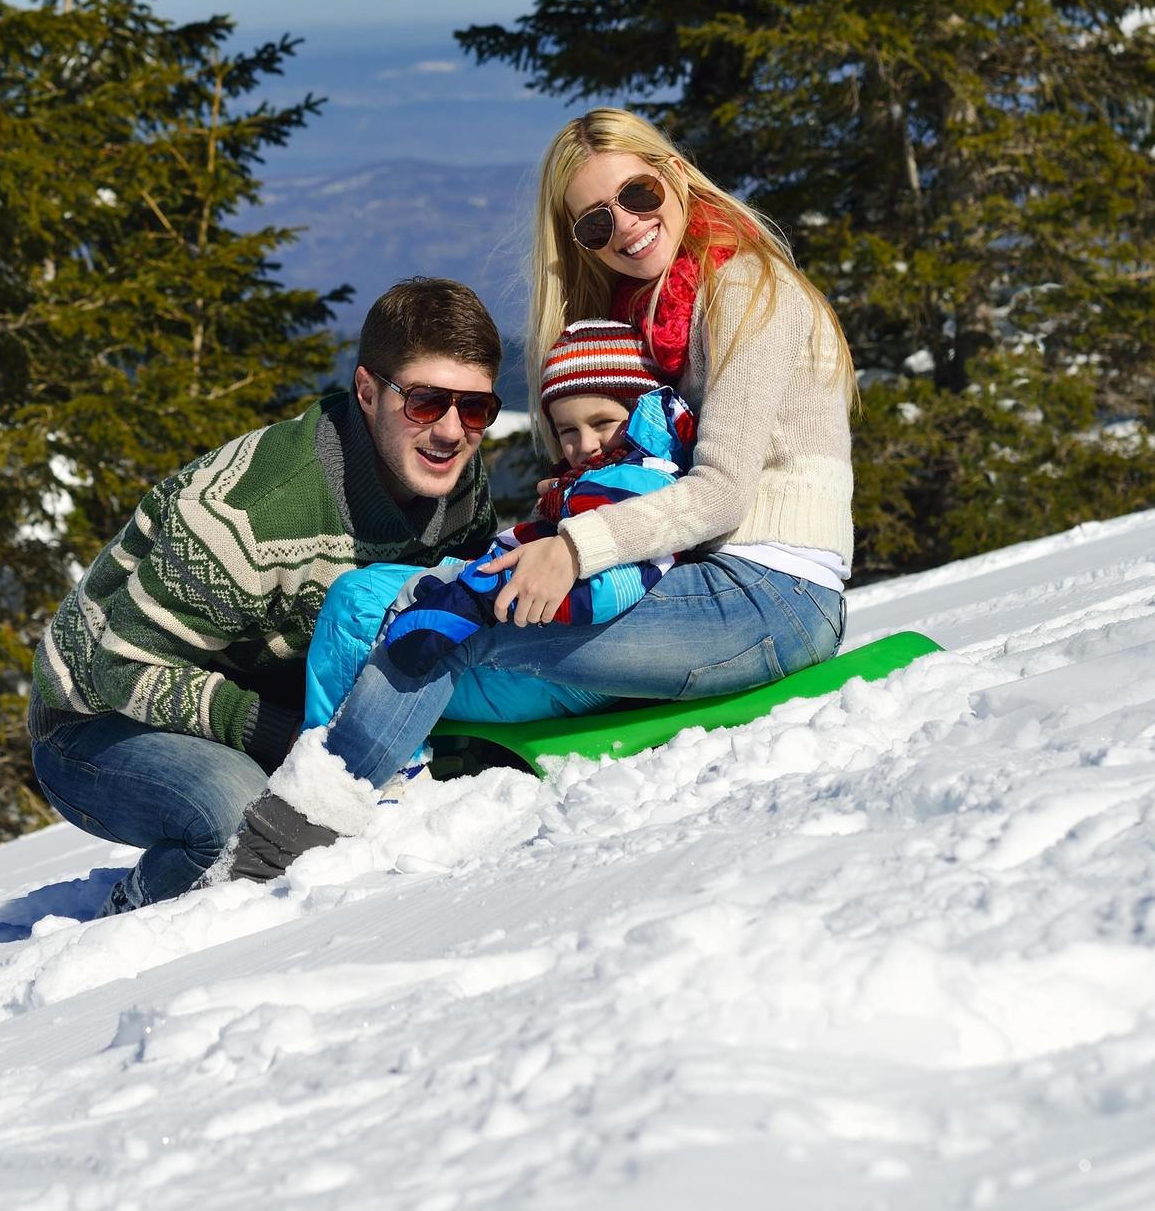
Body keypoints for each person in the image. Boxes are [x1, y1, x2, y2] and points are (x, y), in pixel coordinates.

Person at [216, 109, 857, 884]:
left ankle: (288, 844)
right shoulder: (650, 315)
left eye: (638, 193)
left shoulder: (745, 288)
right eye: (595, 222)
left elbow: (720, 495)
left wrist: (573, 549)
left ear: (675, 176)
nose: (626, 226)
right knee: (385, 597)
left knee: (451, 624)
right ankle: (369, 794)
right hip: (698, 579)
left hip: (771, 594)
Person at [27, 278, 502, 911]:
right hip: (95, 718)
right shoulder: (253, 514)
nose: (451, 430)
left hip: (271, 690)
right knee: (250, 823)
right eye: (425, 402)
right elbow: (122, 668)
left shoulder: (458, 487)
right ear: (367, 391)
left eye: (476, 409)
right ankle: (124, 922)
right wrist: (286, 736)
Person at [299, 318, 683, 720]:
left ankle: (338, 757)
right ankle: (338, 752)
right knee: (365, 592)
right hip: (539, 655)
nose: (584, 445)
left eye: (603, 423)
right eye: (567, 430)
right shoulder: (608, 477)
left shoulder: (637, 481)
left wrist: (473, 597)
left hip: (550, 671)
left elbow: (611, 590)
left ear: (642, 414)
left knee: (359, 604)